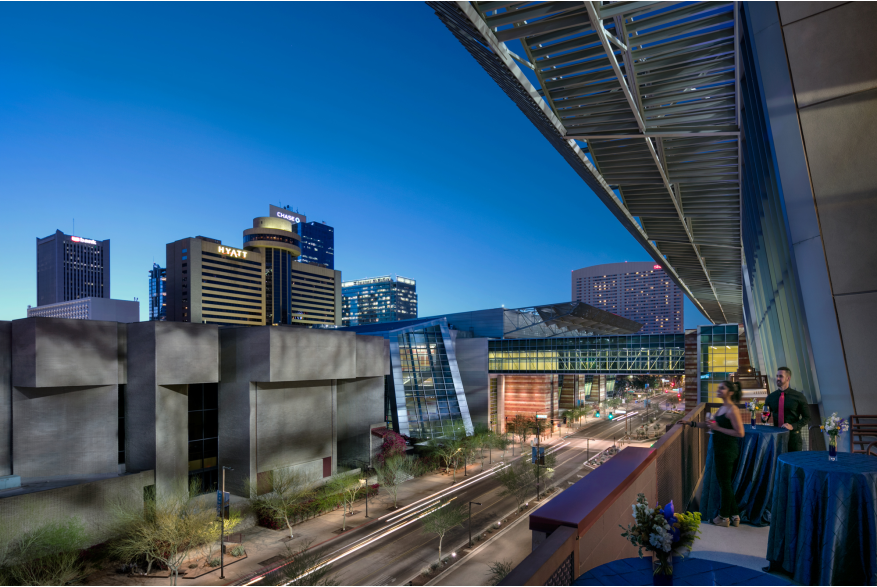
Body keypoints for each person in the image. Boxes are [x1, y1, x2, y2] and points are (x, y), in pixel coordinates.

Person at [687, 381, 745, 527]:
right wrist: (691, 424)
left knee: (724, 484)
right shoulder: (722, 408)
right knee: (725, 483)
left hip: (727, 450)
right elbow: (710, 424)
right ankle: (735, 515)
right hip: (720, 450)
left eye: (722, 388)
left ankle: (723, 517)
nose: (719, 390)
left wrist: (718, 428)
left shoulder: (732, 409)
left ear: (730, 392)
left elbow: (740, 432)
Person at [763, 367, 810, 452]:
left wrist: (793, 426)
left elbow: (807, 417)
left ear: (788, 378)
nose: (777, 378)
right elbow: (765, 415)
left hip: (793, 438)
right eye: (777, 376)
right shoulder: (770, 397)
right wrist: (764, 418)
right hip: (776, 438)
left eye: (780, 376)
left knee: (794, 463)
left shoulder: (799, 396)